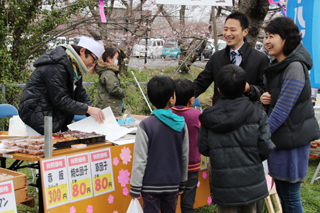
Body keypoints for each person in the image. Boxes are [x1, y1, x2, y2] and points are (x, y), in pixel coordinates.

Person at [260, 17, 320, 213]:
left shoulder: (294, 66)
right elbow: (283, 99)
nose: (266, 41)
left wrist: (261, 134)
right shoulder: (282, 65)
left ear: (286, 39)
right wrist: (269, 98)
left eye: (272, 36)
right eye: (265, 36)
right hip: (284, 138)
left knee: (290, 196)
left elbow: (283, 110)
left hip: (291, 140)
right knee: (285, 194)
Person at [197, 64, 275, 213]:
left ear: (219, 89)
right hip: (251, 181)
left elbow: (203, 147)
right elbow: (265, 147)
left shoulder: (209, 117)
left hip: (224, 182)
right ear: (245, 87)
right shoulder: (258, 114)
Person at [19, 36, 105, 135]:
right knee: (43, 149)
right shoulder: (56, 65)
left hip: (53, 119)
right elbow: (60, 100)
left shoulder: (75, 68)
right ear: (82, 51)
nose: (93, 64)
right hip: (37, 118)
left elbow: (81, 95)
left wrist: (94, 112)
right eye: (93, 59)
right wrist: (88, 109)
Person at [130, 76, 189, 213]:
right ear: (171, 98)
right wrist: (182, 182)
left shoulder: (146, 125)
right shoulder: (181, 124)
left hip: (150, 186)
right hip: (172, 184)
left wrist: (135, 186)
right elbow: (184, 156)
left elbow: (140, 159)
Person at [194, 11, 269, 106]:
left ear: (245, 32)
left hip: (247, 115)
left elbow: (265, 91)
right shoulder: (217, 57)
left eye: (233, 30)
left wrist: (249, 88)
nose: (228, 33)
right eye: (225, 29)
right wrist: (180, 95)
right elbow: (201, 83)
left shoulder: (260, 58)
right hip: (220, 114)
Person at [171, 79, 201, 213]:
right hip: (191, 166)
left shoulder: (167, 114)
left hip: (171, 167)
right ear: (191, 100)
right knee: (188, 205)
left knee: (170, 204)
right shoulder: (196, 115)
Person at [94, 47, 126, 116]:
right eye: (116, 58)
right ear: (109, 58)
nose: (117, 60)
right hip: (110, 107)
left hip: (106, 105)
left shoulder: (105, 71)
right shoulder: (109, 73)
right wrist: (123, 93)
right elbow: (113, 89)